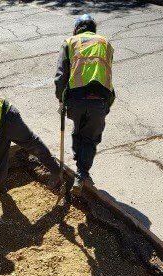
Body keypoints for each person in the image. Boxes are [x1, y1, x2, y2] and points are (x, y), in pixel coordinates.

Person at [54, 14, 115, 195]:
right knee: (89, 137)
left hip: (76, 99)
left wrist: (61, 100)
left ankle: (79, 163)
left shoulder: (70, 42)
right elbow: (108, 71)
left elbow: (60, 77)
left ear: (77, 28)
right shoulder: (105, 43)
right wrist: (108, 103)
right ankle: (82, 172)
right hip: (100, 100)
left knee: (78, 129)